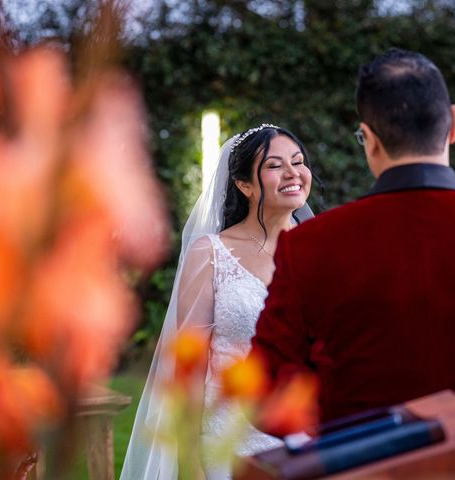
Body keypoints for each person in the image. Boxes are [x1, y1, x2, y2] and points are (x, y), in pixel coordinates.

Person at [251, 48, 455, 430]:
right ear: (453, 124)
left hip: (364, 468)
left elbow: (266, 391)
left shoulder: (311, 245)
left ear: (369, 139)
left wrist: (346, 420)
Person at [120, 124, 316, 480]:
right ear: (244, 185)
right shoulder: (211, 254)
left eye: (298, 162)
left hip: (303, 441)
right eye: (274, 166)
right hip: (229, 444)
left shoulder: (321, 250)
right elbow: (188, 365)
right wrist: (189, 460)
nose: (293, 173)